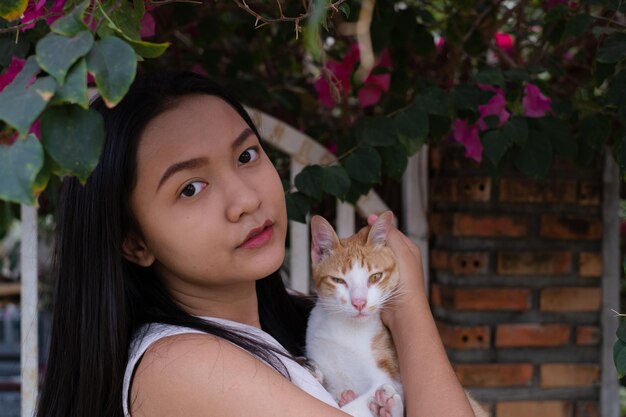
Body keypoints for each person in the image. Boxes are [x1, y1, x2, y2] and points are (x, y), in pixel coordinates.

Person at [36, 71, 476, 417]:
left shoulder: (290, 322)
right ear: (133, 243)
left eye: (246, 156)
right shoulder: (181, 365)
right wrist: (411, 306)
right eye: (191, 188)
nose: (246, 200)